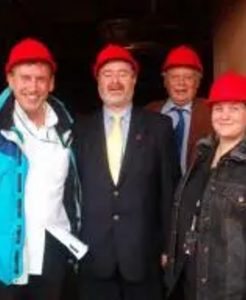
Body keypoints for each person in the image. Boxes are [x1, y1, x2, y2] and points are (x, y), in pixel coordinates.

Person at [0, 38, 80, 300]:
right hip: (4, 254)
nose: (33, 87)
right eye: (25, 77)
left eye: (41, 78)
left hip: (53, 251)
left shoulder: (65, 126)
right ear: (10, 79)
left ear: (51, 83)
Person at [165, 72, 246, 300]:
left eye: (234, 108)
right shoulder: (202, 154)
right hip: (191, 287)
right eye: (219, 108)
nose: (225, 116)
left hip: (231, 293)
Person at [74, 44, 180, 300]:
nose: (115, 82)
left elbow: (170, 191)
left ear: (134, 80)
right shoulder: (80, 130)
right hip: (94, 254)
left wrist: (169, 246)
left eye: (123, 73)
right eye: (107, 74)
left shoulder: (160, 127)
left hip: (143, 254)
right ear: (98, 80)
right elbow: (70, 191)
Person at [146, 45, 211, 174]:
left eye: (188, 77)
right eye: (175, 77)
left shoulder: (211, 111)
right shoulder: (148, 112)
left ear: (197, 83)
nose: (181, 83)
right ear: (165, 81)